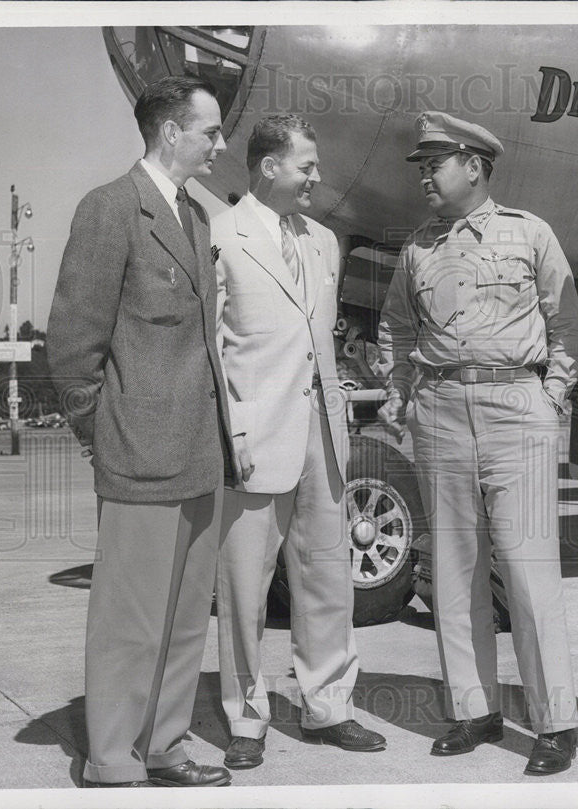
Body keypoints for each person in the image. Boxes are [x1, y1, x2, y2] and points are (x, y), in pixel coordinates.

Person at [375, 111, 578, 775]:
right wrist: (403, 391)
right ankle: (475, 709)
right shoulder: (417, 249)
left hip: (514, 407)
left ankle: (555, 722)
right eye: (421, 167)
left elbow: (568, 328)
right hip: (440, 411)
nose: (424, 179)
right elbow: (395, 328)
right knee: (455, 570)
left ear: (473, 164)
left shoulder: (530, 234)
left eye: (434, 165)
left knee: (527, 568)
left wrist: (548, 396)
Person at [46, 76, 235, 788]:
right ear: (169, 133)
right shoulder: (111, 209)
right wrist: (107, 430)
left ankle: (165, 744)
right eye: (209, 132)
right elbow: (71, 343)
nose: (220, 144)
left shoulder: (194, 216)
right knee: (129, 619)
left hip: (198, 451)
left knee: (187, 617)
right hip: (138, 453)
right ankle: (112, 758)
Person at [212, 115, 385, 770]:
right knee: (244, 585)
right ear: (267, 167)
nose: (317, 176)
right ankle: (247, 715)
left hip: (322, 431)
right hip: (255, 435)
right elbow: (212, 345)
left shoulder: (322, 241)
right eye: (306, 165)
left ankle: (329, 704)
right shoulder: (221, 236)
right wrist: (232, 430)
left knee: (326, 574)